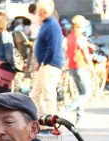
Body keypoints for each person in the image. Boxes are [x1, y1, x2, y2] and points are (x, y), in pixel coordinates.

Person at [30, 0, 64, 129]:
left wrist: (44, 61)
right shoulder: (47, 23)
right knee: (35, 94)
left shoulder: (51, 25)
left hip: (50, 64)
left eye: (40, 11)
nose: (39, 13)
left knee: (48, 94)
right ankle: (43, 119)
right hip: (45, 64)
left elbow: (53, 47)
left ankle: (51, 122)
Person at [64, 15, 94, 126]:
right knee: (86, 94)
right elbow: (85, 55)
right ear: (80, 26)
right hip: (80, 67)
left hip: (72, 67)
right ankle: (68, 108)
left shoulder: (70, 36)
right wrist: (92, 68)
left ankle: (79, 119)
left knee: (81, 93)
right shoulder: (80, 37)